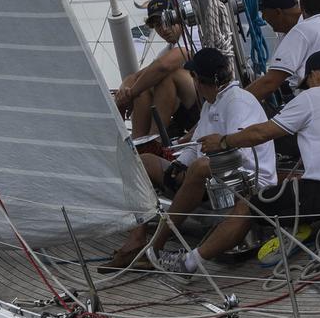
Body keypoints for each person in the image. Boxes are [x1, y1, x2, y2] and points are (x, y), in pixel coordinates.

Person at [148, 51, 320, 279]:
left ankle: (188, 263)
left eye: (308, 82)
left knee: (249, 207)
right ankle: (302, 226)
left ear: (315, 76)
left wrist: (223, 141)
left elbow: (261, 133)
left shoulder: (312, 98)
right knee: (291, 190)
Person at [102, 47, 276, 272]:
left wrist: (195, 165)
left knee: (200, 167)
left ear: (198, 80)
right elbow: (195, 145)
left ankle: (156, 246)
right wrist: (180, 164)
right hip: (212, 179)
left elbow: (241, 154)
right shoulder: (211, 104)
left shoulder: (238, 103)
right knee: (143, 161)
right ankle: (138, 238)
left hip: (245, 183)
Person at [113, 0, 200, 149]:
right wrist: (123, 95)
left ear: (177, 16)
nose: (163, 29)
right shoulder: (167, 51)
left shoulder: (193, 34)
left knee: (166, 75)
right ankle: (139, 141)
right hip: (188, 110)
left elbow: (163, 66)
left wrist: (131, 94)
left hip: (206, 104)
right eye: (158, 25)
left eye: (167, 21)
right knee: (145, 82)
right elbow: (136, 77)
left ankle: (155, 141)